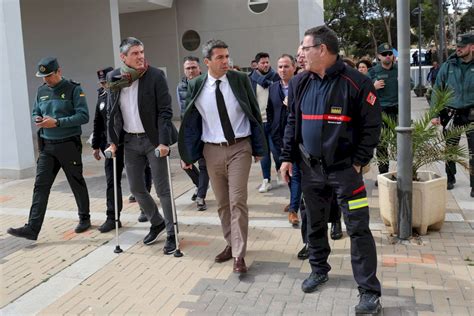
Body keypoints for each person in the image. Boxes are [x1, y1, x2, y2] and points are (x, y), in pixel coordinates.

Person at [280, 25, 382, 314]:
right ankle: (318, 269)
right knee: (313, 222)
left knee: (358, 227)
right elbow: (291, 124)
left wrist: (360, 160)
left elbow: (372, 126)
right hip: (309, 169)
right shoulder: (300, 83)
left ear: (321, 50)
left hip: (346, 173)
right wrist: (287, 157)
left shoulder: (358, 83)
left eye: (305, 47)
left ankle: (369, 291)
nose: (301, 53)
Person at [179, 39, 267, 274]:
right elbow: (190, 121)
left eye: (227, 56)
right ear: (207, 61)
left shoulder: (240, 80)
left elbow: (254, 112)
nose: (226, 61)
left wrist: (259, 149)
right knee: (222, 204)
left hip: (240, 147)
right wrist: (186, 153)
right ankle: (230, 243)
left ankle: (239, 254)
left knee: (237, 200)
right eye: (220, 57)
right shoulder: (196, 84)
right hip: (211, 150)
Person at [106, 37, 178, 254]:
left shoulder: (155, 76)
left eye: (142, 52)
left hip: (153, 140)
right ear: (123, 57)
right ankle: (156, 222)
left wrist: (164, 141)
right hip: (129, 141)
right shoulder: (114, 78)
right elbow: (111, 112)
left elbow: (165, 111)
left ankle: (172, 232)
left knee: (162, 188)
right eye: (135, 53)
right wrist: (112, 142)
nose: (140, 56)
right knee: (136, 188)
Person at [8, 57, 91, 240]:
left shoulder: (73, 89)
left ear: (59, 71)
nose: (46, 80)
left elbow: (84, 116)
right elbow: (35, 111)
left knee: (76, 182)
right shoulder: (41, 91)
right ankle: (32, 228)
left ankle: (84, 218)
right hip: (47, 146)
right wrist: (37, 118)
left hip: (68, 144)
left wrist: (58, 122)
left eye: (49, 76)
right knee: (40, 186)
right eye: (43, 76)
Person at [431, 33, 474, 196]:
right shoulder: (448, 66)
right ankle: (450, 177)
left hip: (471, 113)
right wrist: (434, 114)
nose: (458, 49)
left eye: (462, 47)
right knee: (450, 149)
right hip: (452, 113)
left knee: (473, 151)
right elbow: (437, 90)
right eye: (457, 46)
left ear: (472, 47)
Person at [92, 67, 125, 233]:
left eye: (107, 82)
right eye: (102, 82)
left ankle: (145, 209)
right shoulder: (102, 95)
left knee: (139, 178)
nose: (105, 85)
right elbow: (98, 122)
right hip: (109, 145)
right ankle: (113, 217)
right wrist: (96, 146)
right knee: (112, 181)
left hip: (129, 142)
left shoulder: (124, 93)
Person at [177, 56, 209, 211]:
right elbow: (182, 110)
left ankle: (201, 196)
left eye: (193, 67)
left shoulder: (206, 83)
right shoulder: (180, 87)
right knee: (185, 163)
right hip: (189, 130)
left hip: (205, 128)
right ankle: (199, 185)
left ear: (199, 68)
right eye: (188, 68)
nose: (191, 70)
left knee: (204, 164)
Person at [249, 52, 281, 193]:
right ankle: (266, 180)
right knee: (264, 153)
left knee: (276, 150)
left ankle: (280, 171)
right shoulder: (251, 80)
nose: (266, 64)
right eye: (263, 62)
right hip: (259, 122)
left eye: (267, 62)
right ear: (257, 64)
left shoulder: (276, 77)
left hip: (274, 122)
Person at [368, 43, 401, 181]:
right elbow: (365, 95)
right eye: (384, 54)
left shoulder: (399, 69)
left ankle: (403, 173)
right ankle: (383, 175)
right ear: (379, 57)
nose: (388, 56)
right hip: (381, 113)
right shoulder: (373, 72)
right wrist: (373, 87)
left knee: (401, 143)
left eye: (390, 53)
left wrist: (403, 82)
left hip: (397, 112)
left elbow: (411, 84)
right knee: (382, 144)